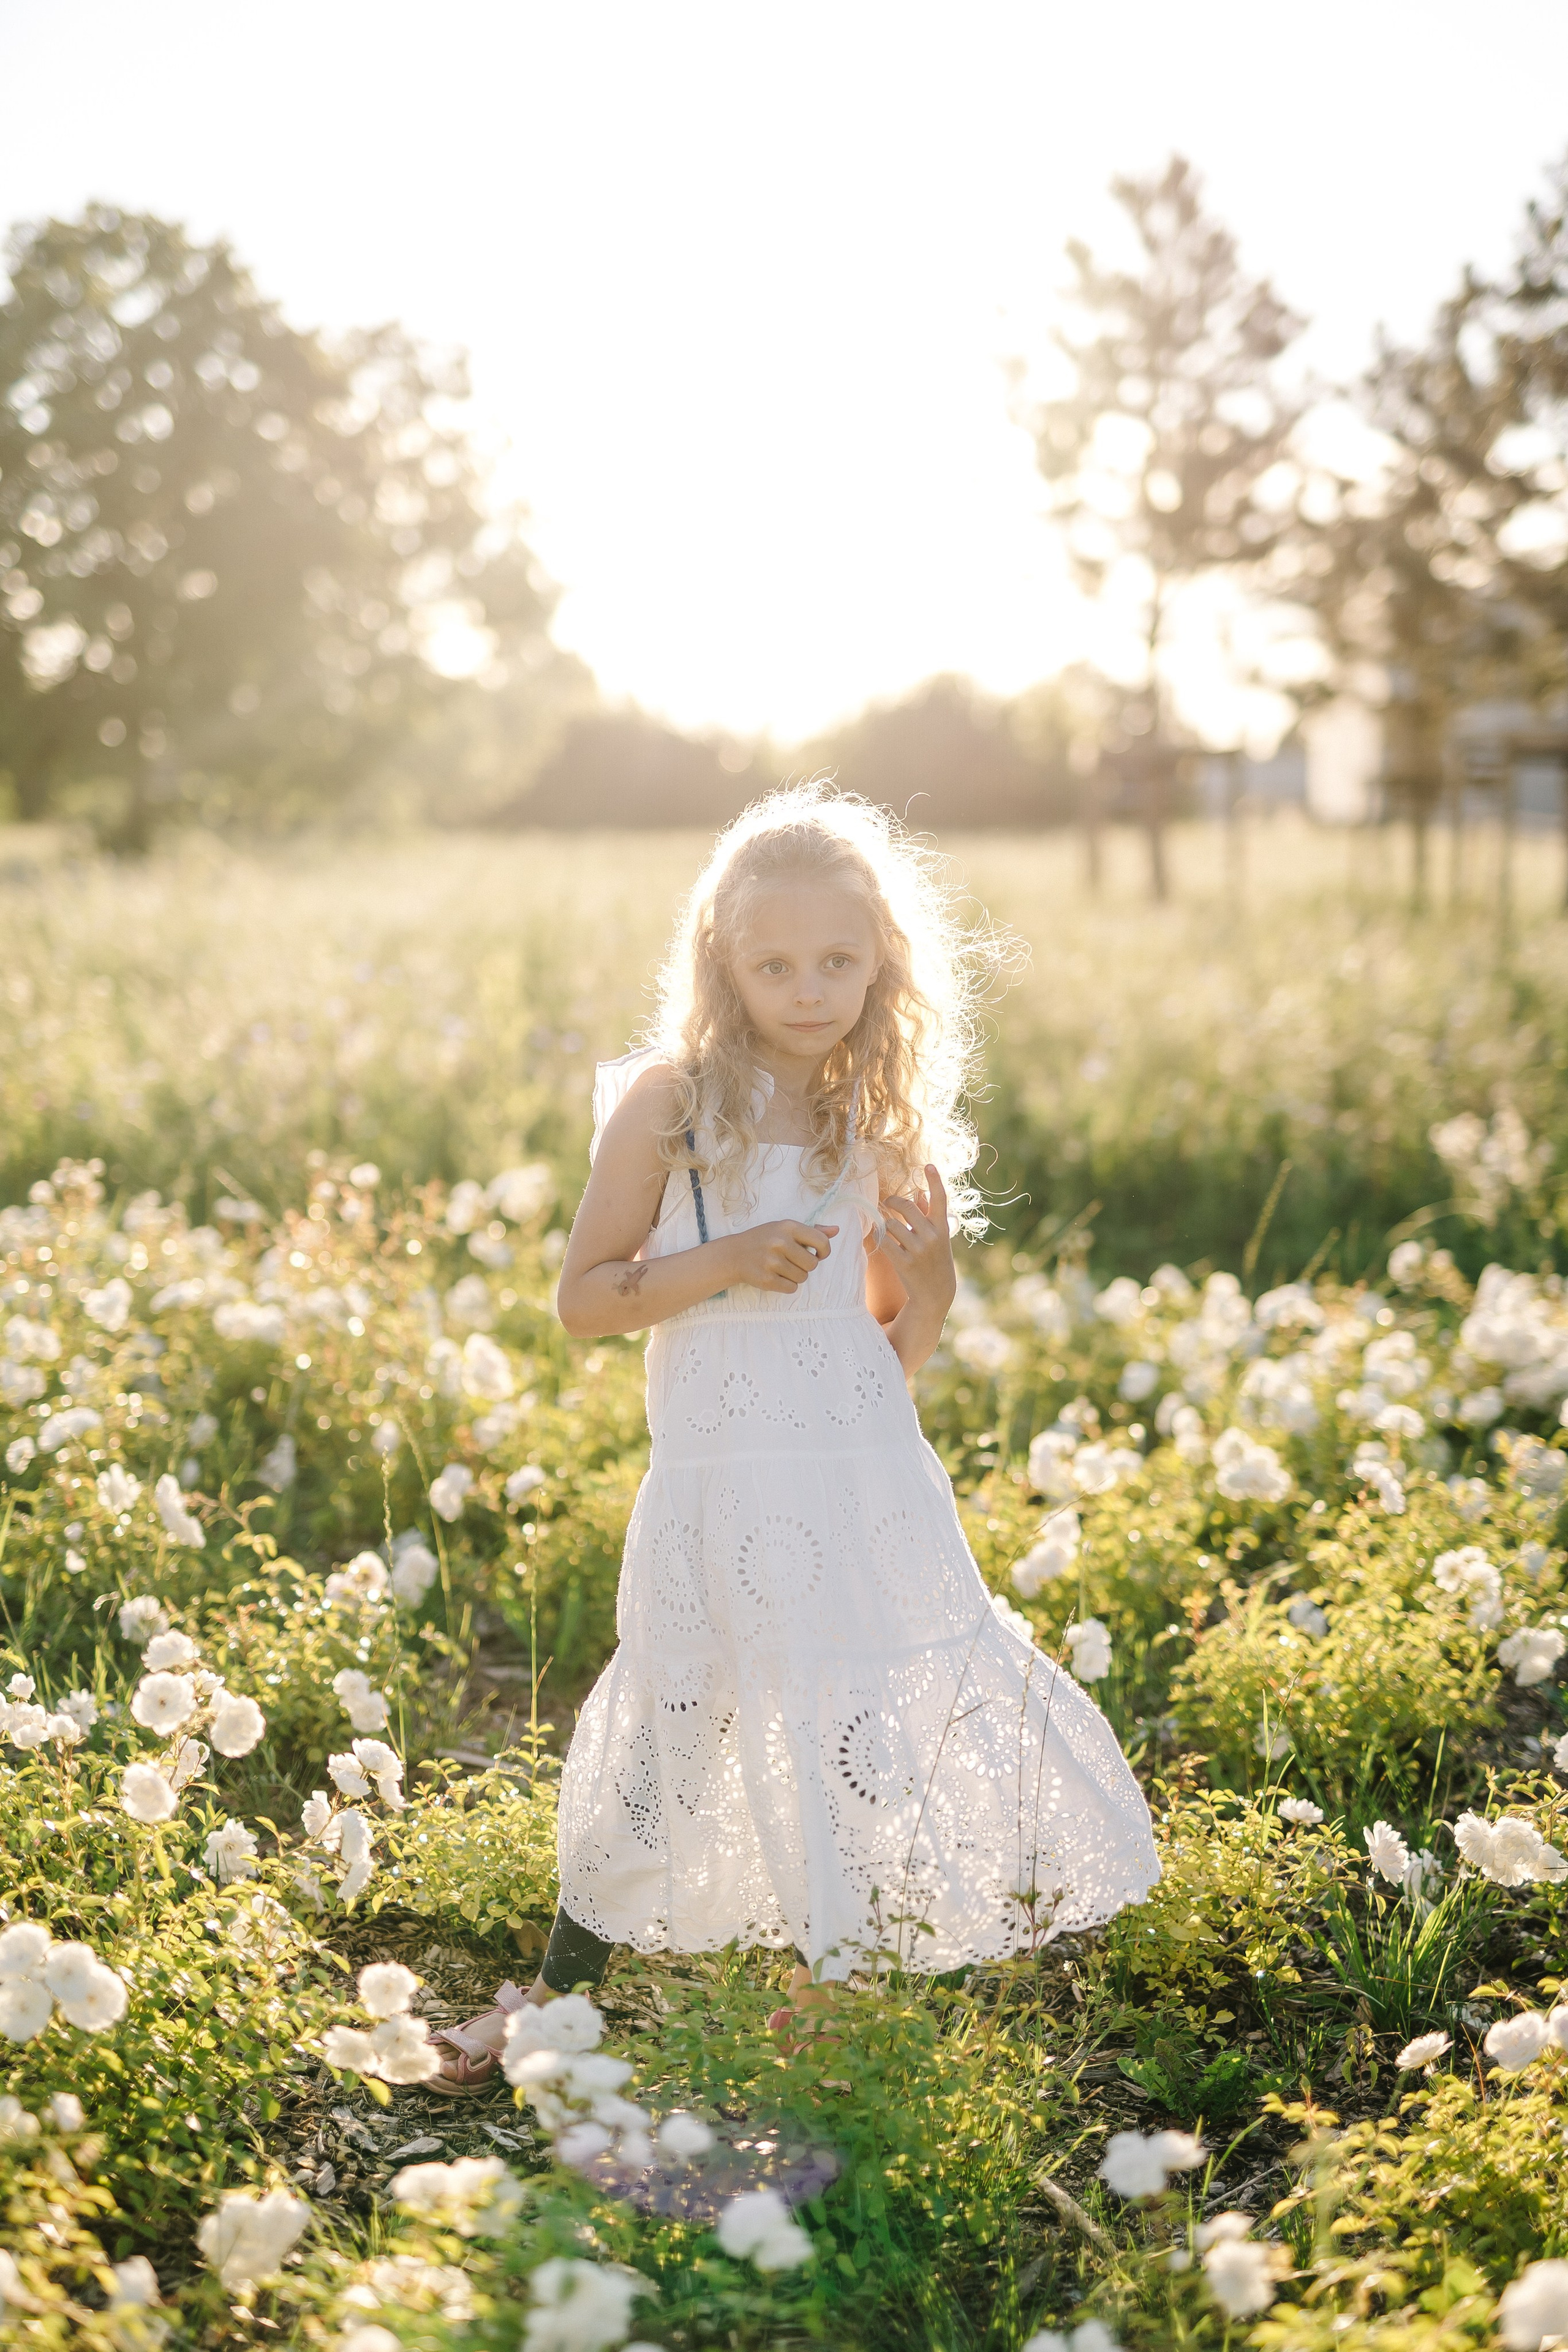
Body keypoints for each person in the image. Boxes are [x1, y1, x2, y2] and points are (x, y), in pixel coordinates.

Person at [428, 785, 1158, 2092]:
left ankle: (833, 1995)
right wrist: (718, 1262)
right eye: (774, 964)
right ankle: (553, 1992)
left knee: (856, 1721)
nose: (808, 988)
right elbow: (583, 1298)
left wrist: (928, 1276)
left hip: (854, 1468)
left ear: (883, 958)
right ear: (722, 961)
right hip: (717, 1476)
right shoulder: (671, 1105)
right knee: (675, 1714)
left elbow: (892, 1344)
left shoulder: (873, 1118)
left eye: (838, 959)